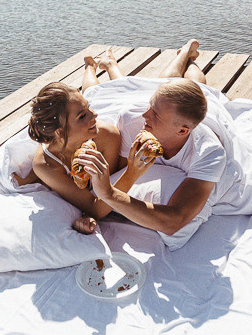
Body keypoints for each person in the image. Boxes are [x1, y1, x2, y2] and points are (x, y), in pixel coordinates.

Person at [76, 40, 223, 244]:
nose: (145, 115)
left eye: (155, 115)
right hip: (158, 101)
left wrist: (109, 195)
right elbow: (121, 170)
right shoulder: (134, 119)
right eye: (150, 107)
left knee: (202, 89)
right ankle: (180, 55)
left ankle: (189, 59)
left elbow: (174, 220)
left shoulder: (208, 153)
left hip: (206, 113)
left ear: (182, 130)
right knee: (107, 93)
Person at [19, 49, 158, 233]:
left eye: (88, 109)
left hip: (113, 114)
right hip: (84, 128)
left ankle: (108, 65)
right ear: (60, 132)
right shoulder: (46, 165)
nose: (94, 115)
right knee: (96, 94)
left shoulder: (107, 135)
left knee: (104, 92)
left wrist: (130, 171)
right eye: (82, 115)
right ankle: (91, 66)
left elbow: (108, 190)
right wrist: (132, 172)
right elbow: (96, 206)